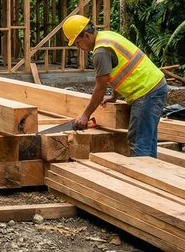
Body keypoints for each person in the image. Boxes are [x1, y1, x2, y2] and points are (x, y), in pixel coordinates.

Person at [62, 15, 167, 157]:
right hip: (153, 87)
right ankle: (150, 175)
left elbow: (100, 87)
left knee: (138, 142)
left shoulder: (101, 51)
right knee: (148, 140)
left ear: (86, 35)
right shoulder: (107, 36)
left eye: (77, 42)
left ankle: (140, 177)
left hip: (146, 91)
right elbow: (121, 69)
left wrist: (85, 115)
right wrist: (114, 96)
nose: (78, 47)